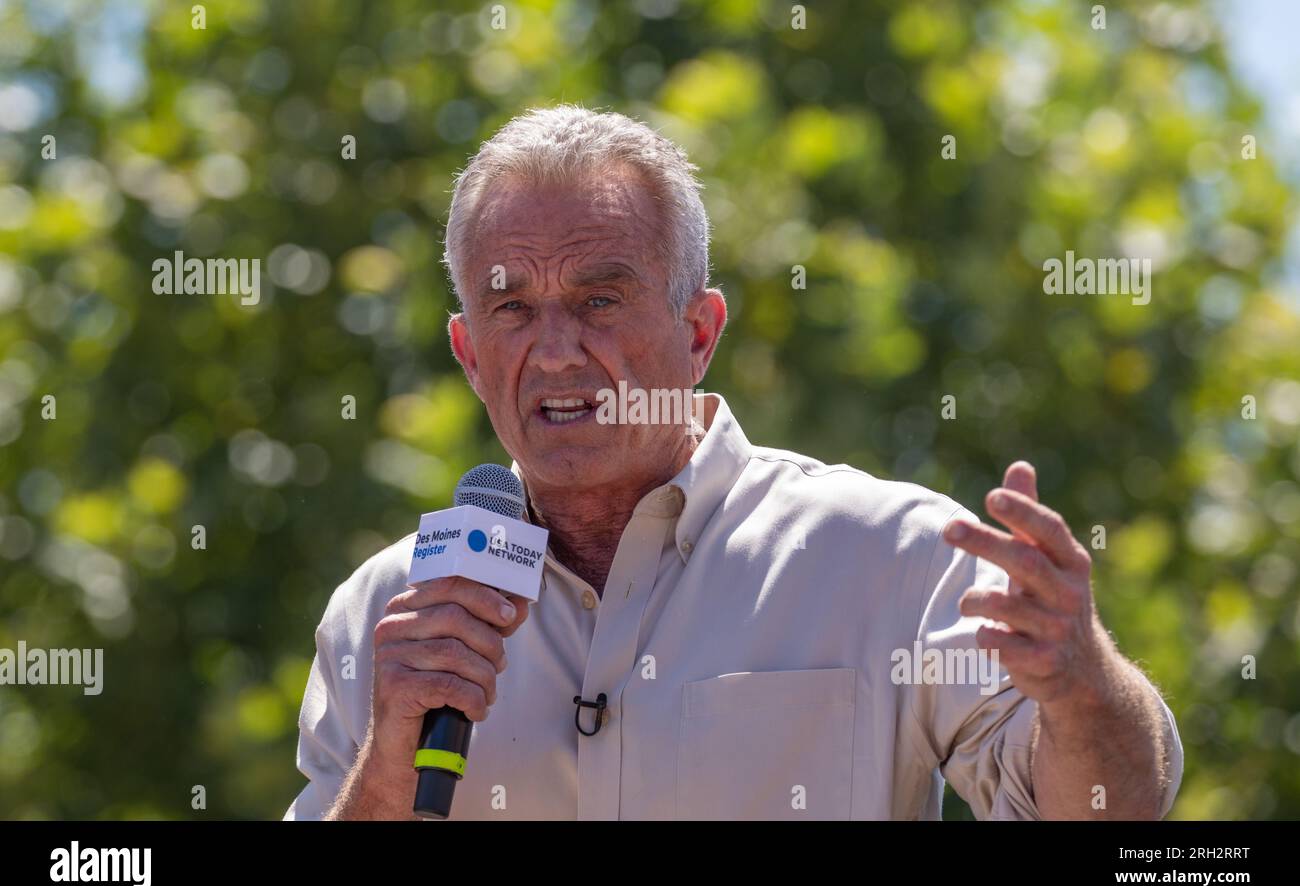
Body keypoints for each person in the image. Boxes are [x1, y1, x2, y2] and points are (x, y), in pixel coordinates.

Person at [284, 105, 1183, 820]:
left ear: (700, 333)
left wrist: (1082, 685)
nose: (555, 351)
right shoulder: (386, 614)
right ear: (469, 354)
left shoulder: (891, 556)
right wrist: (388, 776)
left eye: (601, 298)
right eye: (511, 308)